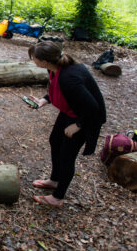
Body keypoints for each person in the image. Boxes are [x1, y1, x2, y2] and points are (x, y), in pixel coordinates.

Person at [27, 41, 106, 207]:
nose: (33, 61)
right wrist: (44, 100)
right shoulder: (54, 68)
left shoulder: (69, 77)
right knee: (55, 141)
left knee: (67, 156)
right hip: (70, 112)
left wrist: (78, 125)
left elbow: (93, 107)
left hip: (85, 117)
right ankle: (55, 180)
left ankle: (58, 197)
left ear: (44, 61)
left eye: (34, 58)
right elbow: (55, 89)